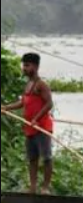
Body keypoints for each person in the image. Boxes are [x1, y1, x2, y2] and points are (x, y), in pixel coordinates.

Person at [1, 53, 55, 194]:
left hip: (41, 127)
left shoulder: (41, 85)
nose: (24, 68)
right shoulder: (28, 84)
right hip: (29, 128)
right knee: (32, 158)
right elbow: (23, 102)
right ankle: (32, 187)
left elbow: (49, 104)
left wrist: (36, 119)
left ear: (35, 67)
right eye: (23, 65)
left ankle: (45, 187)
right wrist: (6, 107)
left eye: (27, 65)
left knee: (46, 157)